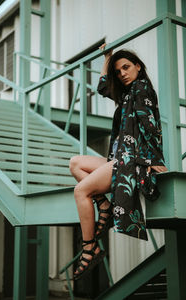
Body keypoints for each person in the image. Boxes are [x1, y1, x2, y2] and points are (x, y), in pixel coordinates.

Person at [69, 43, 168, 280]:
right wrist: (107, 58)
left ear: (138, 67)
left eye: (126, 67)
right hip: (118, 157)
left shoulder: (142, 88)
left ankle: (89, 246)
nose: (122, 73)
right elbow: (103, 86)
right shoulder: (127, 93)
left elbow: (149, 126)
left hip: (130, 160)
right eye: (118, 71)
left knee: (81, 191)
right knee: (75, 163)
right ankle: (104, 205)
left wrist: (154, 159)